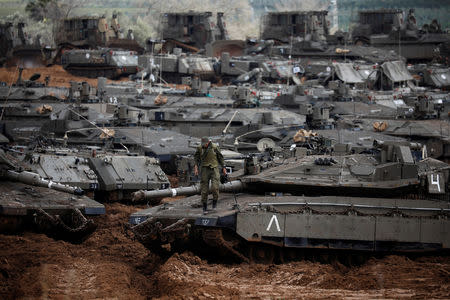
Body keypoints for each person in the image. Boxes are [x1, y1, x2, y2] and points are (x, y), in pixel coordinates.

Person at [194, 137, 226, 213]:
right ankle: (204, 207)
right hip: (204, 169)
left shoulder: (215, 147)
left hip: (214, 169)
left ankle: (214, 204)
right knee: (204, 190)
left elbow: (220, 157)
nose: (203, 145)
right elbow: (196, 158)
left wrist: (224, 167)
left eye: (204, 144)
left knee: (215, 188)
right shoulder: (199, 148)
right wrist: (196, 168)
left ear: (208, 142)